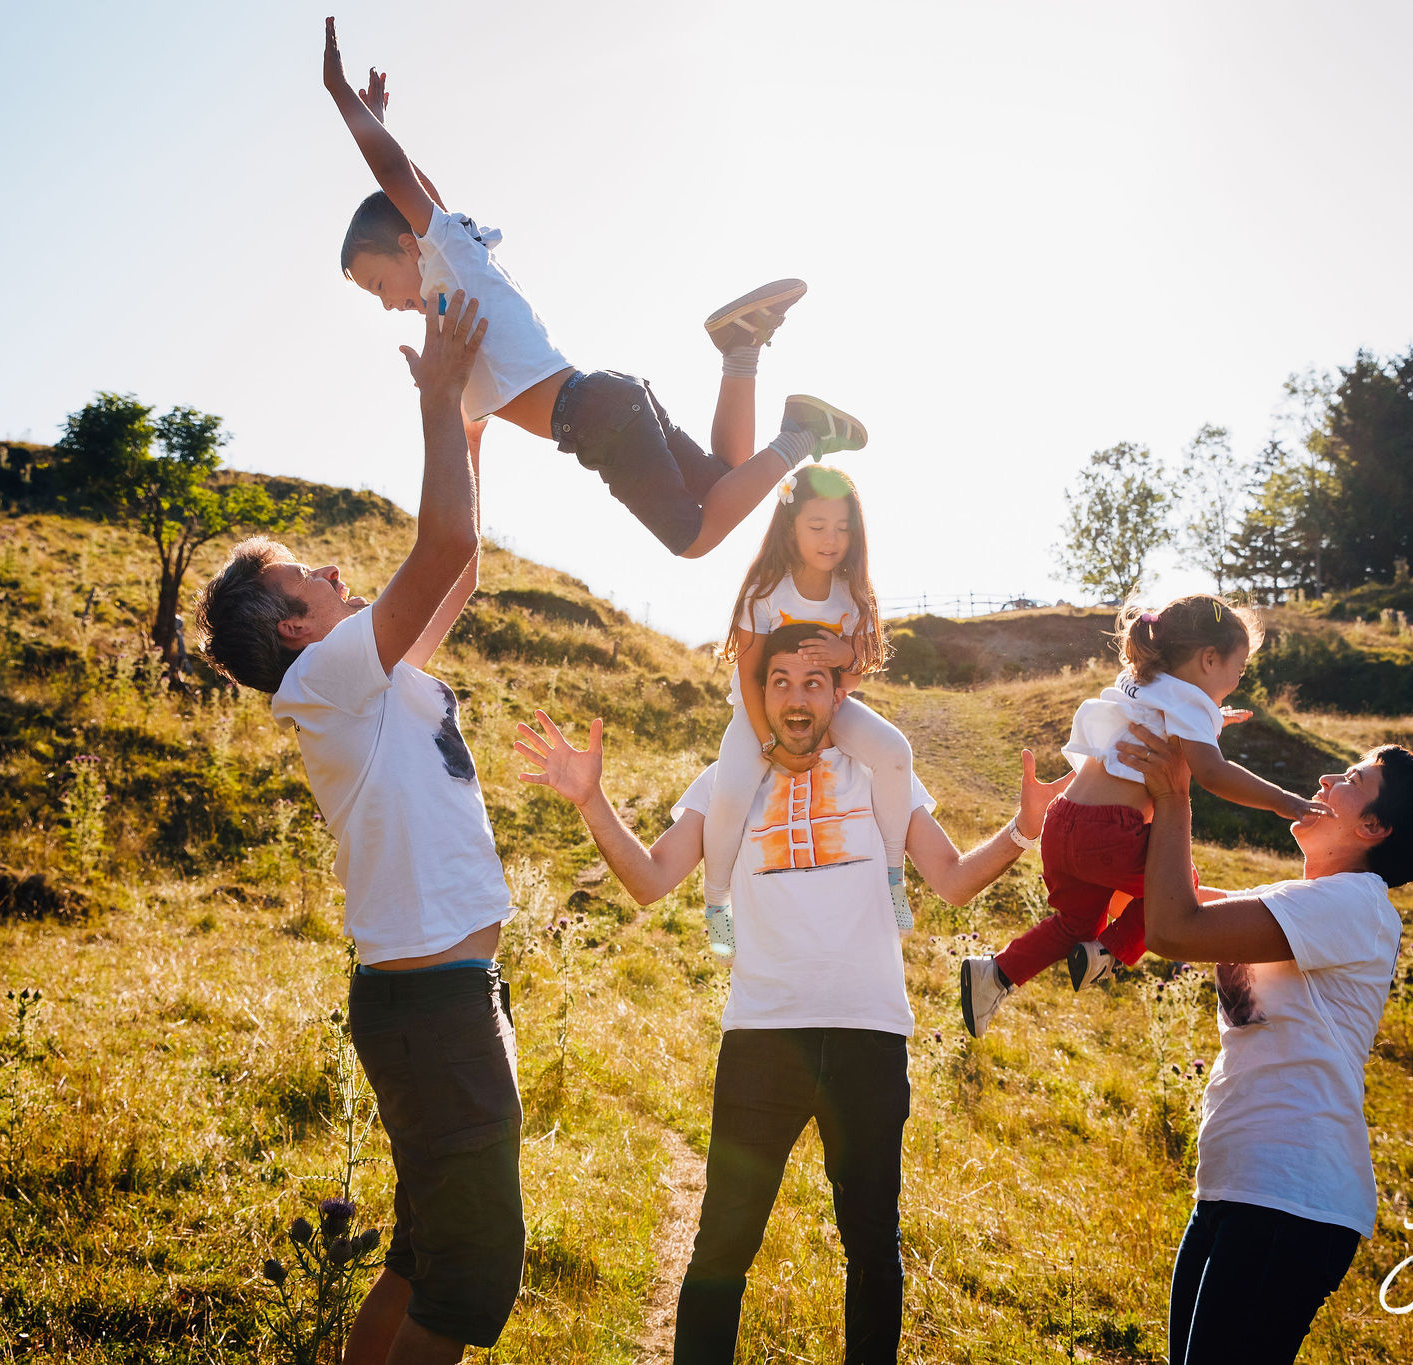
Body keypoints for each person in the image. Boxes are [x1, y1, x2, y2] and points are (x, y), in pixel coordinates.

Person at [513, 623, 1071, 1364]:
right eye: (781, 680)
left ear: (841, 693)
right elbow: (648, 879)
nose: (798, 696)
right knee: (723, 1242)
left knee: (873, 1242)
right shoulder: (726, 785)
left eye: (815, 680)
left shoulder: (879, 777)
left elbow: (953, 878)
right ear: (760, 694)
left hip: (868, 1036)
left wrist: (1022, 830)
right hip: (763, 1039)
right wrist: (591, 799)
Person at [194, 300, 517, 1365]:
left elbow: (458, 568)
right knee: (471, 1281)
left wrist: (466, 434)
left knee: (423, 1262)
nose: (335, 575)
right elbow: (444, 546)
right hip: (431, 1007)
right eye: (310, 580)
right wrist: (435, 404)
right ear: (292, 628)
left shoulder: (363, 679)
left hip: (442, 1000)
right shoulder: (328, 676)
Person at [322, 18, 866, 559]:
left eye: (378, 284)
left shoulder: (449, 265)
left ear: (410, 245)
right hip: (609, 399)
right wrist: (380, 123)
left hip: (596, 416)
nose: (389, 303)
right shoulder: (452, 285)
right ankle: (741, 348)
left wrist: (346, 100)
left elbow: (399, 178)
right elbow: (419, 193)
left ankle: (802, 434)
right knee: (726, 482)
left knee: (693, 538)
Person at [1121, 718, 1413, 1365]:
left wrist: (1178, 797)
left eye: (1351, 780)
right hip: (1240, 1183)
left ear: (1373, 828)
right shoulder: (1309, 900)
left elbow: (1173, 926)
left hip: (1291, 1198)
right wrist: (1176, 746)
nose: (1325, 781)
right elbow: (1164, 896)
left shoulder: (1355, 904)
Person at [959, 593, 1324, 1037]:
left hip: (1063, 822)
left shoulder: (1142, 681)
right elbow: (1212, 772)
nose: (1239, 678)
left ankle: (993, 974)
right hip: (1109, 833)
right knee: (1177, 886)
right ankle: (1108, 954)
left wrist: (1214, 719)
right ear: (1209, 659)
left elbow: (1164, 715)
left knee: (1074, 924)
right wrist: (1281, 799)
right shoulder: (1189, 705)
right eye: (1239, 668)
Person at [702, 465, 917, 951]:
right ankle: (717, 903)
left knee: (894, 752)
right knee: (731, 791)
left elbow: (859, 670)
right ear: (790, 525)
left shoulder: (852, 594)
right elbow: (748, 675)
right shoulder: (765, 590)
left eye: (843, 528)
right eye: (817, 527)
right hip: (759, 712)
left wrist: (847, 658)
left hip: (830, 713)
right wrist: (768, 742)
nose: (831, 539)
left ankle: (892, 876)